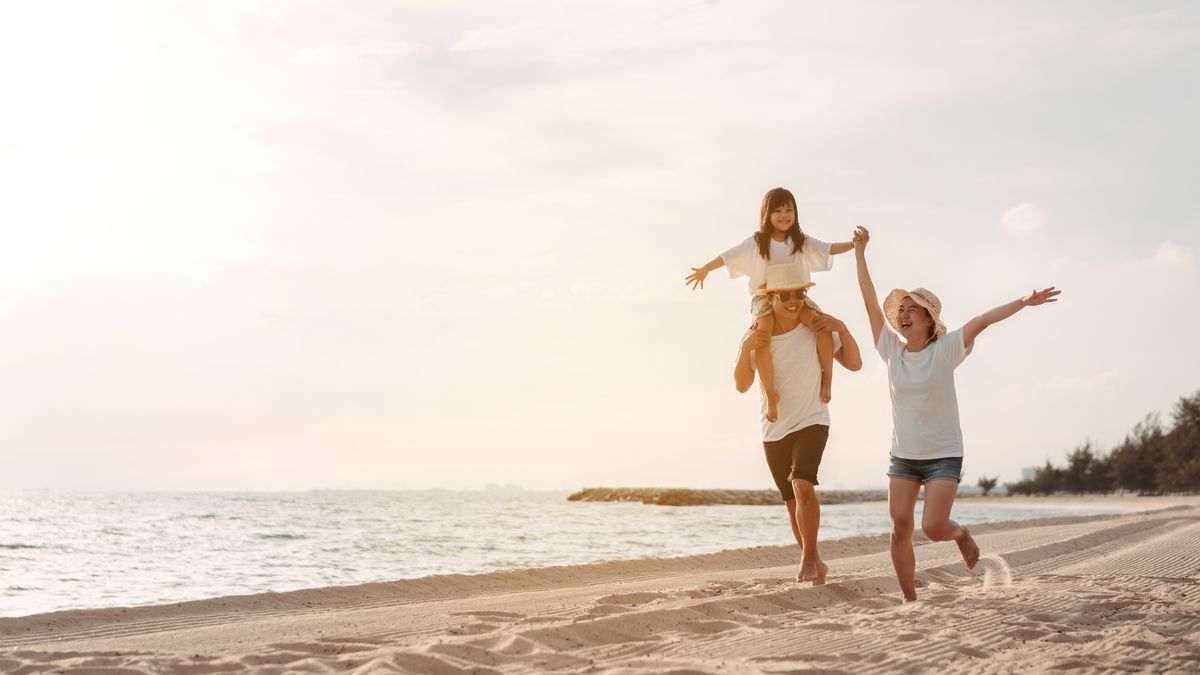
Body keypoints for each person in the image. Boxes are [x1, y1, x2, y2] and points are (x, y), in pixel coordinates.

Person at [851, 225, 1060, 602]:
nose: (902, 313)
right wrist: (860, 253)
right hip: (904, 456)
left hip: (943, 454)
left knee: (932, 526)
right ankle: (910, 599)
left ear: (928, 319)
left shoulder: (945, 349)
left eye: (911, 308)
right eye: (900, 309)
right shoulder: (890, 351)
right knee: (899, 527)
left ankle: (960, 533)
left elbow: (982, 320)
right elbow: (868, 302)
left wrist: (1024, 302)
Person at [734, 264, 862, 584]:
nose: (794, 301)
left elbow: (855, 363)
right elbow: (741, 384)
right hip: (773, 429)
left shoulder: (815, 330)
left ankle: (807, 558)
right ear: (771, 297)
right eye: (786, 294)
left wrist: (843, 328)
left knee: (802, 484)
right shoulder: (758, 335)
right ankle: (816, 563)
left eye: (799, 293)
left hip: (812, 418)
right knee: (792, 503)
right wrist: (745, 348)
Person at [688, 187, 854, 421]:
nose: (784, 215)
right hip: (764, 298)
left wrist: (853, 244)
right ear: (767, 214)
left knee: (821, 325)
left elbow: (827, 248)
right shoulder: (758, 242)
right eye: (777, 211)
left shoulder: (800, 241)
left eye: (789, 210)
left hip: (797, 296)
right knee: (762, 338)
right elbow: (729, 255)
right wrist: (706, 268)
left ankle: (827, 381)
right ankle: (771, 396)